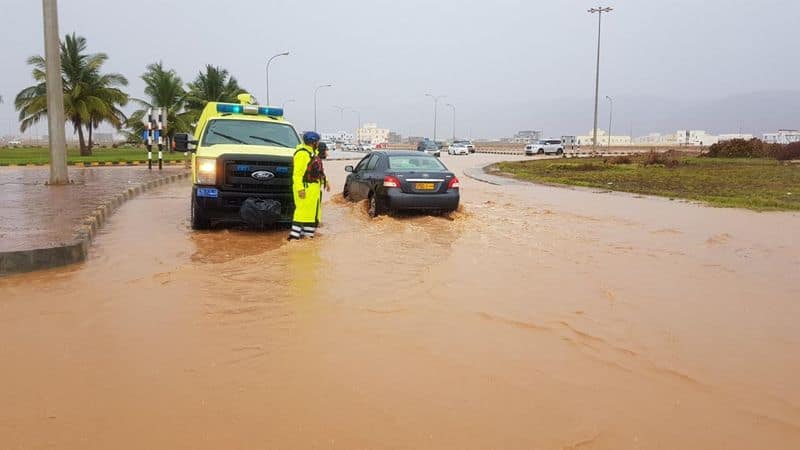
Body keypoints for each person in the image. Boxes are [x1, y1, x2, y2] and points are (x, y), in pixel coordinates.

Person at [288, 131, 330, 240]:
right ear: (313, 142)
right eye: (317, 141)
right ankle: (293, 238)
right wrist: (300, 189)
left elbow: (317, 171)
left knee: (311, 216)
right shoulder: (302, 154)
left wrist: (326, 182)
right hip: (305, 189)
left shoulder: (312, 153)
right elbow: (297, 174)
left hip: (313, 190)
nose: (318, 143)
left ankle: (308, 238)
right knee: (301, 214)